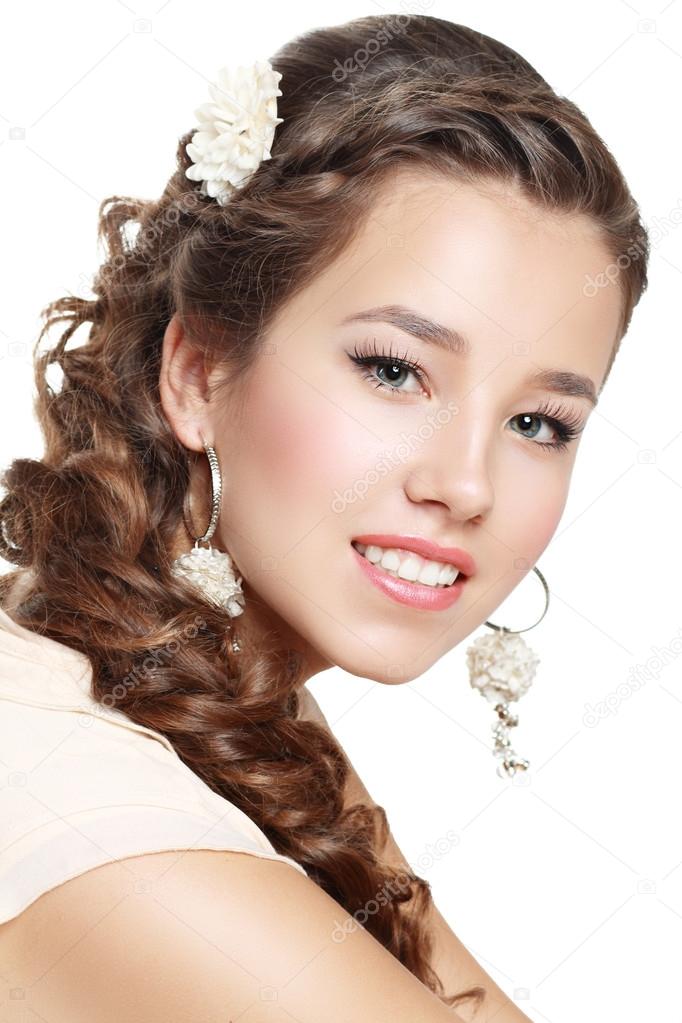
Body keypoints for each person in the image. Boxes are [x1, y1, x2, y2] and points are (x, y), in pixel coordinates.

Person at [0, 13, 649, 1023]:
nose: (466, 485)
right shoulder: (111, 825)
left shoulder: (216, 695)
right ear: (200, 372)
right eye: (394, 371)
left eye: (537, 420)